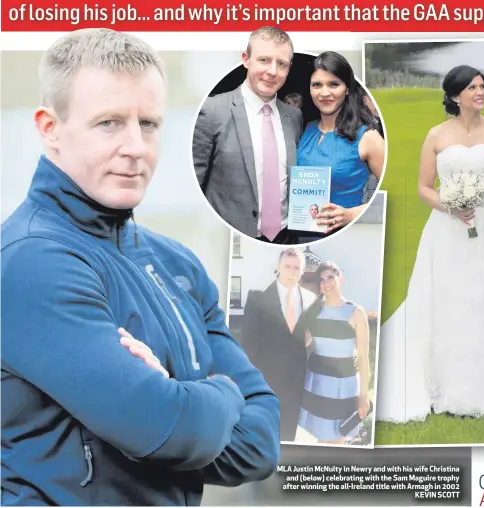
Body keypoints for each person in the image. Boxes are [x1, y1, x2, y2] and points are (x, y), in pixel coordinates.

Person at [1, 29, 279, 506]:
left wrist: (179, 404)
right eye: (109, 123)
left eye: (148, 123)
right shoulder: (32, 261)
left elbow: (259, 448)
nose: (136, 147)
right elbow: (166, 429)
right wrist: (222, 395)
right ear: (50, 129)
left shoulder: (178, 264)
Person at [376, 65, 484, 424]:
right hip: (448, 228)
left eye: (482, 86)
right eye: (472, 87)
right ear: (455, 96)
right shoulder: (436, 135)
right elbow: (424, 187)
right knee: (449, 297)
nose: (481, 92)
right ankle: (445, 381)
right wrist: (450, 205)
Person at [192, 27, 303, 244]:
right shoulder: (212, 110)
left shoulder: (294, 116)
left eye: (281, 64)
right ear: (246, 59)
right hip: (229, 238)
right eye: (264, 60)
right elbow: (194, 186)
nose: (272, 71)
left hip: (286, 236)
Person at [296, 52, 385, 242]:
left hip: (345, 237)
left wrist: (351, 215)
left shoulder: (368, 137)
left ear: (346, 89)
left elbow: (391, 196)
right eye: (317, 85)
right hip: (302, 236)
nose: (324, 92)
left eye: (334, 84)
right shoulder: (307, 130)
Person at [239, 248, 317, 442]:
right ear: (278, 267)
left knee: (288, 436)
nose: (292, 272)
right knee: (262, 432)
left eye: (296, 268)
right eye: (287, 266)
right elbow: (248, 342)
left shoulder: (311, 300)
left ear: (302, 270)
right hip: (266, 378)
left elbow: (315, 335)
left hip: (296, 380)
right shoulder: (258, 298)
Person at [298, 262, 371, 444]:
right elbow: (301, 343)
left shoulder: (355, 312)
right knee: (321, 440)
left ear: (341, 279)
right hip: (316, 384)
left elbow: (363, 358)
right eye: (322, 280)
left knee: (337, 439)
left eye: (331, 277)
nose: (326, 283)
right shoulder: (313, 312)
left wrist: (363, 396)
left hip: (342, 387)